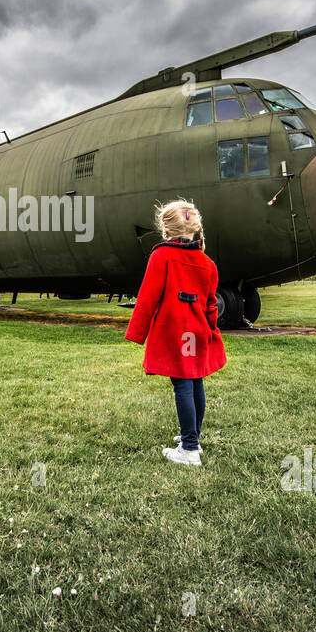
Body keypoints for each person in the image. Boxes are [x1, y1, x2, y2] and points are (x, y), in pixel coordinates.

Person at [124, 199, 227, 466]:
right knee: (195, 381)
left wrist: (137, 332)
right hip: (197, 331)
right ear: (195, 228)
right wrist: (212, 330)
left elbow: (148, 297)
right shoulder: (207, 263)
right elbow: (211, 303)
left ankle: (189, 449)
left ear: (166, 229)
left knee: (182, 383)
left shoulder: (162, 256)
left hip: (175, 331)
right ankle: (192, 438)